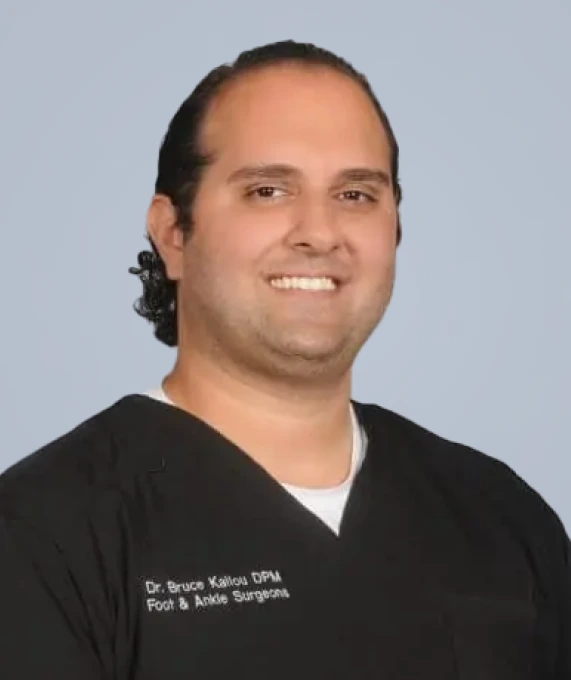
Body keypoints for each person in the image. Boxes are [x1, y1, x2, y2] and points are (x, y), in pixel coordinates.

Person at [0, 39, 568, 679]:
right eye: (268, 190)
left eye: (356, 195)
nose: (319, 233)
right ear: (173, 234)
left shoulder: (502, 519)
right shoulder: (45, 535)